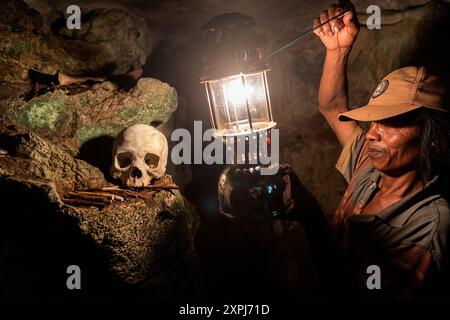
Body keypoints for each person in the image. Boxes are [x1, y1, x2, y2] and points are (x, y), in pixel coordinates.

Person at [312, 1, 450, 298]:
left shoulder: (427, 223)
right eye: (373, 121)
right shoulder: (370, 163)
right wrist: (337, 51)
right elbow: (333, 107)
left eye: (392, 123)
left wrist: (309, 216)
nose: (372, 133)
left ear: (434, 137)